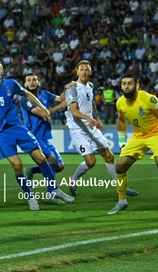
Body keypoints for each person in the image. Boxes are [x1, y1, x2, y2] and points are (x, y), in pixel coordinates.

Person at [0, 62, 74, 210]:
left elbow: (27, 94)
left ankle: (54, 189)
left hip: (18, 128)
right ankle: (30, 197)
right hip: (2, 133)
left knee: (41, 158)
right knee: (17, 166)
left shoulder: (10, 84)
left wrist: (43, 107)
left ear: (2, 71)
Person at [65, 61, 138, 197]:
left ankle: (121, 186)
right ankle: (73, 179)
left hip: (91, 125)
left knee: (109, 156)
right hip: (78, 129)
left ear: (91, 72)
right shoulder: (72, 88)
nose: (85, 72)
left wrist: (97, 118)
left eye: (87, 70)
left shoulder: (90, 86)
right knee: (91, 162)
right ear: (77, 72)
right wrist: (88, 118)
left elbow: (91, 101)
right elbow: (73, 111)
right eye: (82, 70)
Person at [108, 74, 157, 214]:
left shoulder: (149, 99)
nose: (126, 86)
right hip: (138, 137)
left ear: (137, 85)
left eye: (130, 83)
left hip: (156, 134)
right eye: (123, 84)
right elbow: (122, 121)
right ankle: (122, 201)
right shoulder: (120, 102)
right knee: (120, 167)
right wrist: (122, 142)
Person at [21, 74, 67, 180]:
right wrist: (60, 106)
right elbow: (42, 113)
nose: (31, 82)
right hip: (33, 137)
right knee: (52, 159)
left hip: (44, 138)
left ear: (38, 82)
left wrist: (67, 88)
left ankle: (31, 170)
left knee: (60, 166)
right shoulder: (25, 99)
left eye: (34, 80)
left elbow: (60, 98)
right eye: (28, 80)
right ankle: (52, 191)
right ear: (25, 84)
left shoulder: (45, 94)